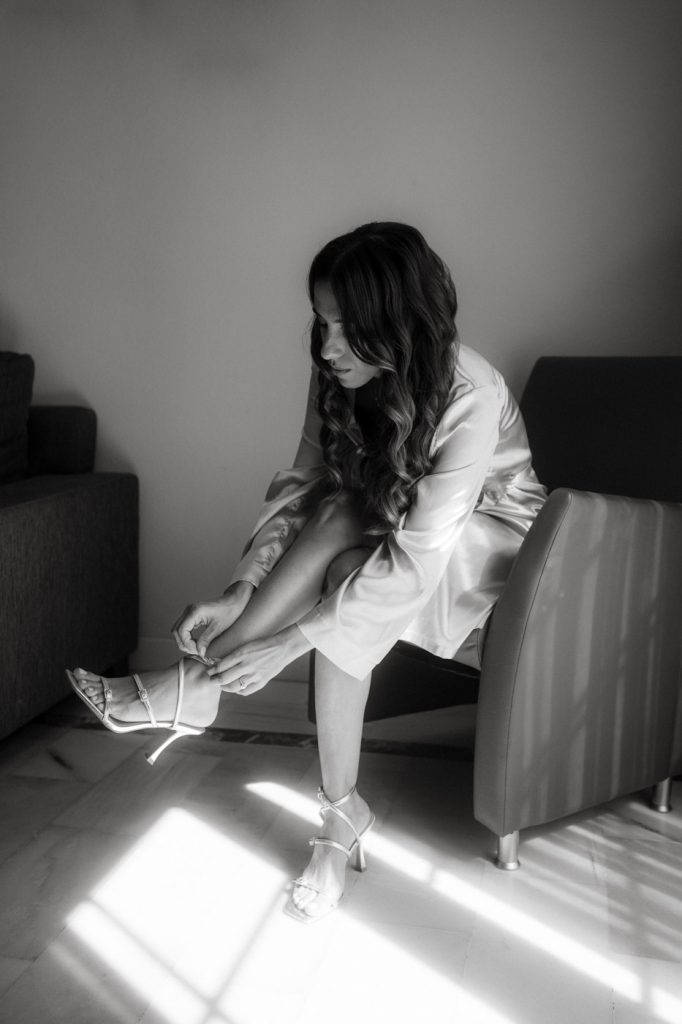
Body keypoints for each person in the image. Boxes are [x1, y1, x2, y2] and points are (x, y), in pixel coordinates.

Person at [68, 221, 547, 923]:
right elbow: (302, 491)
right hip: (384, 535)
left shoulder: (470, 391)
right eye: (322, 322)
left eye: (348, 327)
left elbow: (422, 552)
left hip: (492, 554)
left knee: (350, 541)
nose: (327, 346)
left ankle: (197, 689)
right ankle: (337, 814)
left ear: (399, 320)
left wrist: (289, 644)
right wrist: (240, 591)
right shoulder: (340, 374)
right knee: (341, 526)